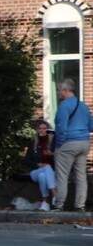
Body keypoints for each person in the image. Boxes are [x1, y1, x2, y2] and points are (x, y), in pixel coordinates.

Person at [52, 78, 91, 212]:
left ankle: (59, 204)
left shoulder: (64, 106)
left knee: (62, 175)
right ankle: (80, 205)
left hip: (69, 143)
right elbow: (91, 126)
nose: (58, 93)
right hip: (84, 143)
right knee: (81, 176)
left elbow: (61, 128)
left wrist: (58, 146)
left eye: (60, 90)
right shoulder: (84, 106)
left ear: (66, 90)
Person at [25, 119, 56, 211]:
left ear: (48, 130)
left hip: (50, 173)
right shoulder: (33, 142)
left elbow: (59, 159)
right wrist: (37, 164)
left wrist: (52, 155)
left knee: (43, 175)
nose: (42, 130)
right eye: (40, 128)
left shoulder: (53, 143)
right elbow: (26, 160)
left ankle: (45, 202)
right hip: (35, 171)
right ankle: (54, 194)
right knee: (46, 167)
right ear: (37, 130)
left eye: (45, 128)